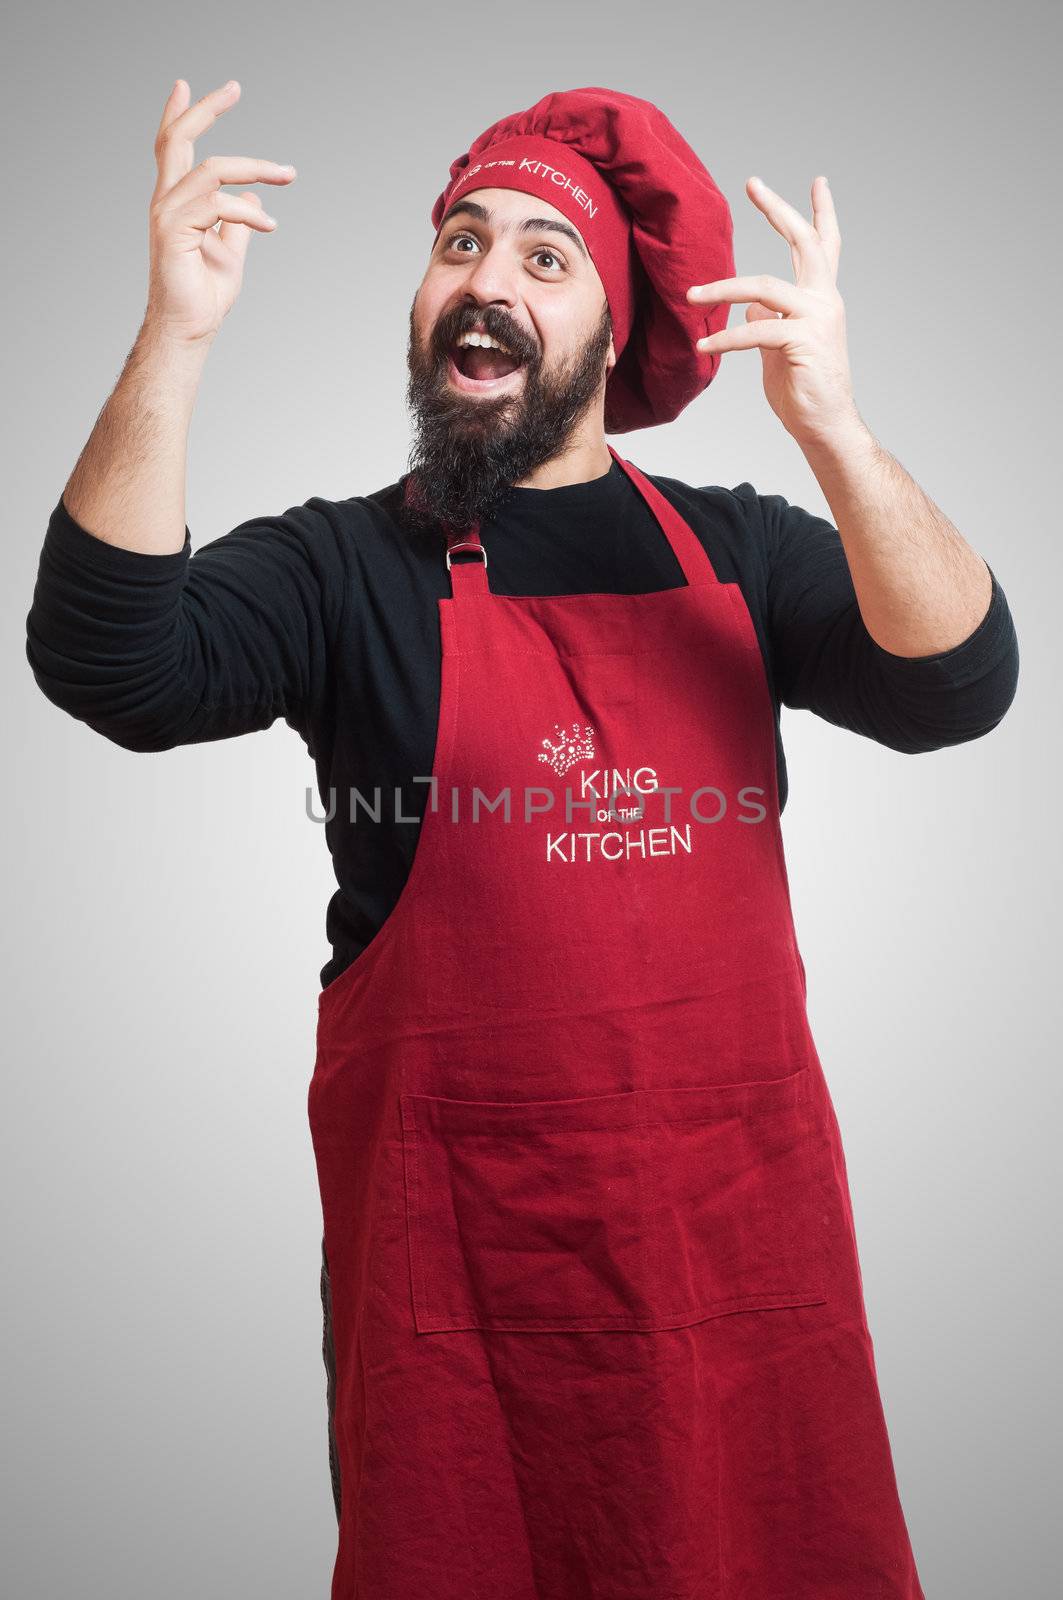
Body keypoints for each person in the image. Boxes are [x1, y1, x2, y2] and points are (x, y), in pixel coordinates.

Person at [26, 79, 1018, 1599]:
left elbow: (959, 683)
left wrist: (831, 426)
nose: (484, 280)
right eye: (460, 242)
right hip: (466, 1292)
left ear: (614, 337)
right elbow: (111, 664)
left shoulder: (743, 551)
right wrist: (177, 331)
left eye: (545, 259)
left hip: (738, 1264)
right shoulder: (343, 567)